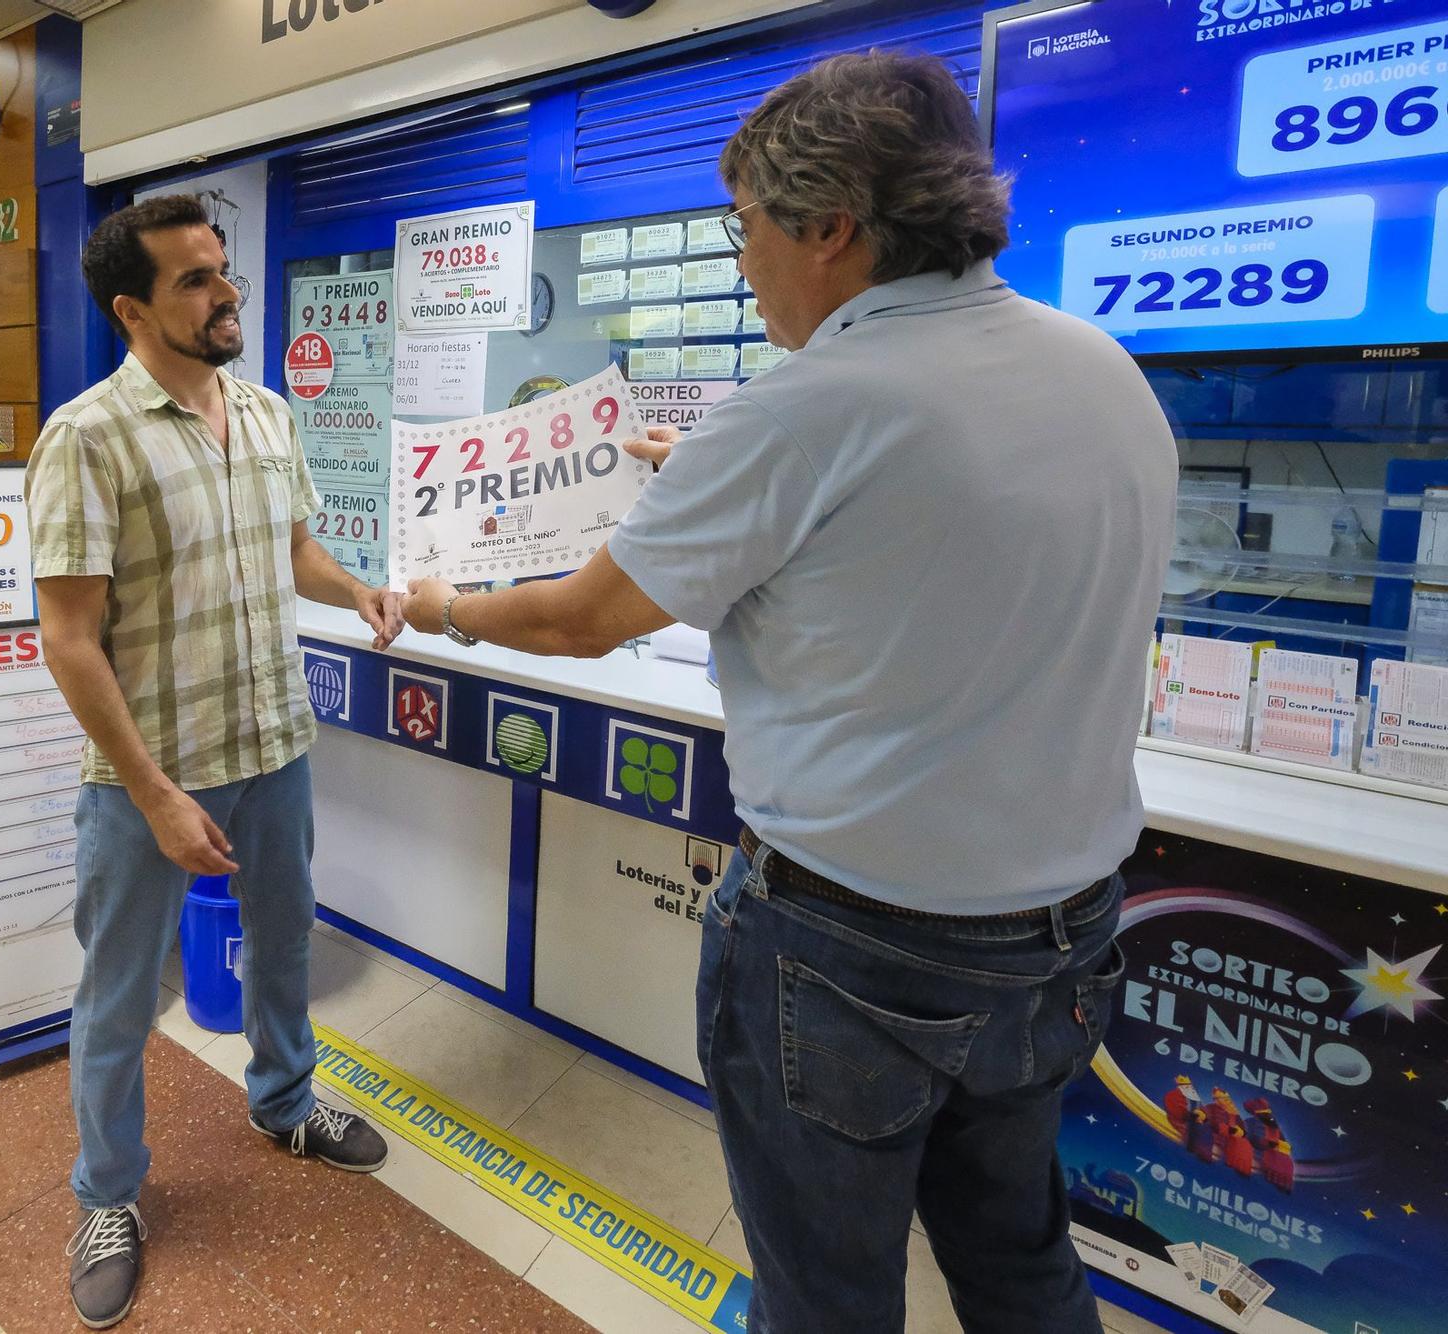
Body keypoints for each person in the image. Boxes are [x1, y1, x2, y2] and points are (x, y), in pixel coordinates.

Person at [402, 51, 1174, 1333]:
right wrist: (704, 472)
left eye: (743, 225)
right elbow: (919, 546)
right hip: (1060, 935)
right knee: (1020, 1258)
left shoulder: (807, 406)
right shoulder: (1100, 369)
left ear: (827, 225)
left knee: (826, 1292)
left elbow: (579, 617)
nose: (740, 257)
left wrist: (439, 607)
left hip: (853, 945)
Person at [27, 194, 404, 1330]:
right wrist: (152, 793)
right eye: (193, 280)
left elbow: (291, 547)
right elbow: (68, 638)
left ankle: (283, 1099)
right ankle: (106, 1195)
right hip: (149, 776)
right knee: (119, 994)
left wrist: (357, 587)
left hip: (272, 739)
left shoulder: (267, 413)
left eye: (221, 270)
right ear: (131, 309)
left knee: (281, 940)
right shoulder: (86, 435)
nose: (225, 291)